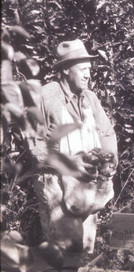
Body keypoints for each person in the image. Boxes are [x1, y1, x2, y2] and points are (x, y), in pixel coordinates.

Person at [32, 39, 118, 254]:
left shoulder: (90, 97)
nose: (88, 75)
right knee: (66, 251)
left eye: (89, 69)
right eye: (82, 69)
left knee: (86, 250)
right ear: (65, 70)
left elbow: (106, 131)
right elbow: (35, 147)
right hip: (57, 186)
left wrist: (110, 157)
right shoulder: (44, 97)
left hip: (87, 185)